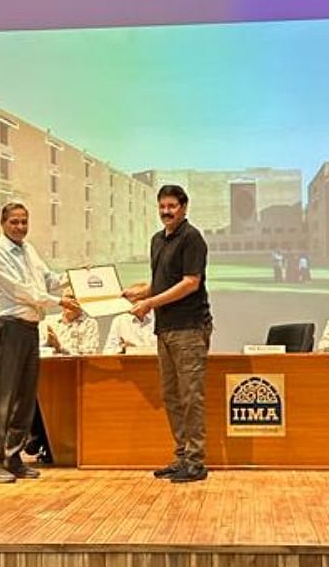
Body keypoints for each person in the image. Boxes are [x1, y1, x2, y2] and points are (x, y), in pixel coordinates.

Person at [0, 202, 78, 484]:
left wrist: (77, 277)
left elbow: (47, 279)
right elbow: (23, 292)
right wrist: (59, 301)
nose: (20, 227)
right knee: (3, 398)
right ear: (2, 223)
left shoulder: (28, 249)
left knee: (25, 398)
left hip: (29, 329)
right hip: (8, 328)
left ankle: (13, 458)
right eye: (14, 222)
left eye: (24, 222)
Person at [123, 184, 213, 483]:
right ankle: (182, 456)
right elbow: (161, 283)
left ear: (184, 207)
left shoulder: (192, 238)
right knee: (172, 395)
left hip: (189, 327)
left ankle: (196, 462)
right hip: (165, 328)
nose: (166, 211)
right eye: (162, 206)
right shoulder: (157, 241)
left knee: (190, 396)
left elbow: (190, 283)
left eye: (172, 206)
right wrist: (139, 293)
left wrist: (149, 302)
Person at [39, 286, 100, 355]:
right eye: (67, 298)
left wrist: (60, 348)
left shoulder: (89, 324)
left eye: (74, 298)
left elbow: (89, 355)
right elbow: (37, 351)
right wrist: (47, 343)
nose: (70, 302)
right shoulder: (47, 322)